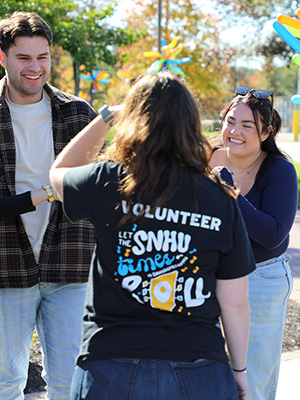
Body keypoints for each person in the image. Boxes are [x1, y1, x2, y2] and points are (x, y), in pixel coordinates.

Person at [50, 72, 256, 400]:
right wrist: (240, 370)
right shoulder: (220, 198)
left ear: (132, 120)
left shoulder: (107, 181)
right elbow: (234, 301)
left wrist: (105, 117)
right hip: (199, 367)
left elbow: (57, 174)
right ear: (190, 123)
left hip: (110, 365)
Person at [0, 11, 97, 400]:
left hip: (69, 262)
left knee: (70, 380)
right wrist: (46, 191)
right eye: (24, 58)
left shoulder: (78, 114)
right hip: (7, 264)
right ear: (3, 57)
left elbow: (101, 183)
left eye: (43, 57)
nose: (35, 68)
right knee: (6, 380)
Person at [209, 86, 298, 400]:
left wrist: (230, 194)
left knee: (252, 383)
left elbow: (274, 233)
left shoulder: (279, 170)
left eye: (247, 125)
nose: (235, 131)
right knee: (205, 376)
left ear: (266, 132)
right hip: (205, 276)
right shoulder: (205, 156)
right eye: (230, 121)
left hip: (259, 279)